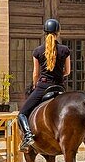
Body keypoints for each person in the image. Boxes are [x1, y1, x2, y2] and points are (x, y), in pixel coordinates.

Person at [17, 18, 72, 151]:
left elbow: (36, 74)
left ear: (45, 33)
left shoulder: (38, 51)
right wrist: (59, 75)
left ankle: (28, 136)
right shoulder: (65, 50)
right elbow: (68, 71)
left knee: (22, 113)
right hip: (59, 86)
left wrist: (36, 85)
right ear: (58, 33)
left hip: (43, 86)